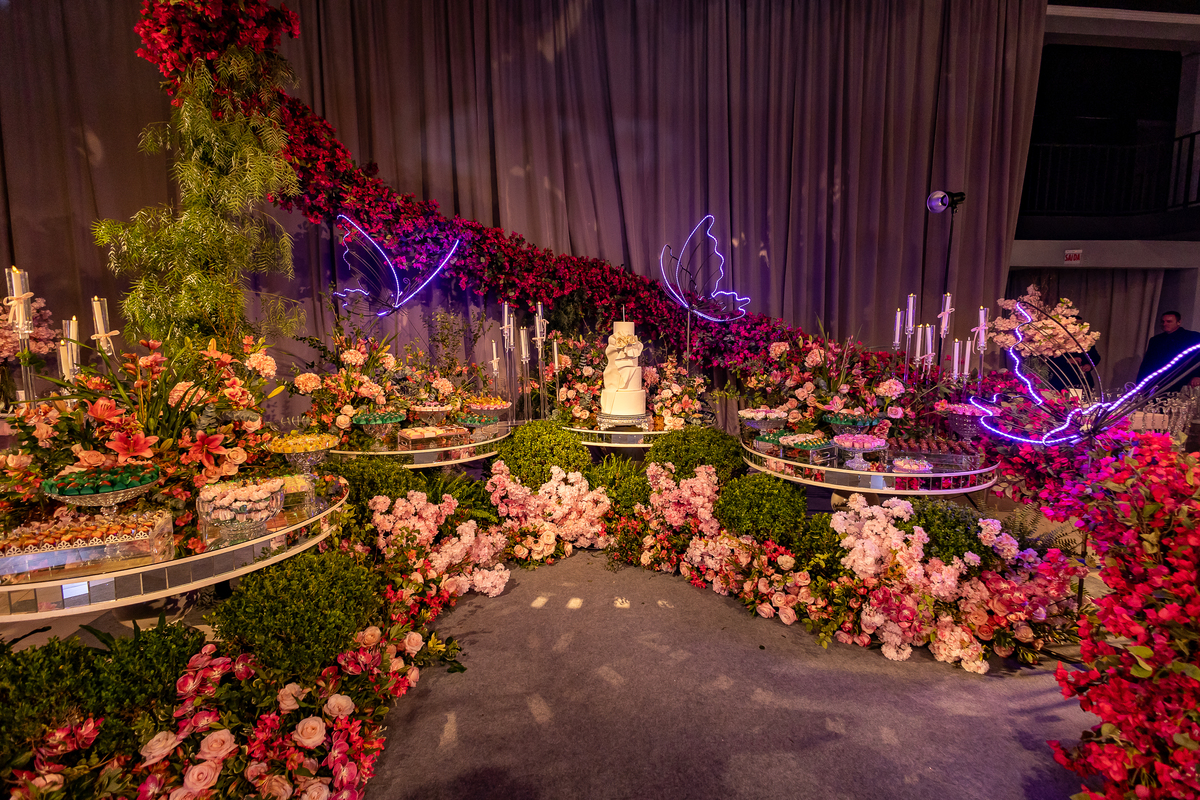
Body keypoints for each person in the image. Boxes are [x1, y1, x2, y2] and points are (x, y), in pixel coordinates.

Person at [1136, 311, 1200, 392]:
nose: (1164, 324)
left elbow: (1198, 358)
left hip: (1182, 380)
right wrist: (1140, 383)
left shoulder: (1192, 337)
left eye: (1169, 321)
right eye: (1163, 321)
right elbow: (1147, 362)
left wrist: (1197, 375)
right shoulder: (1155, 340)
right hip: (1158, 381)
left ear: (1178, 322)